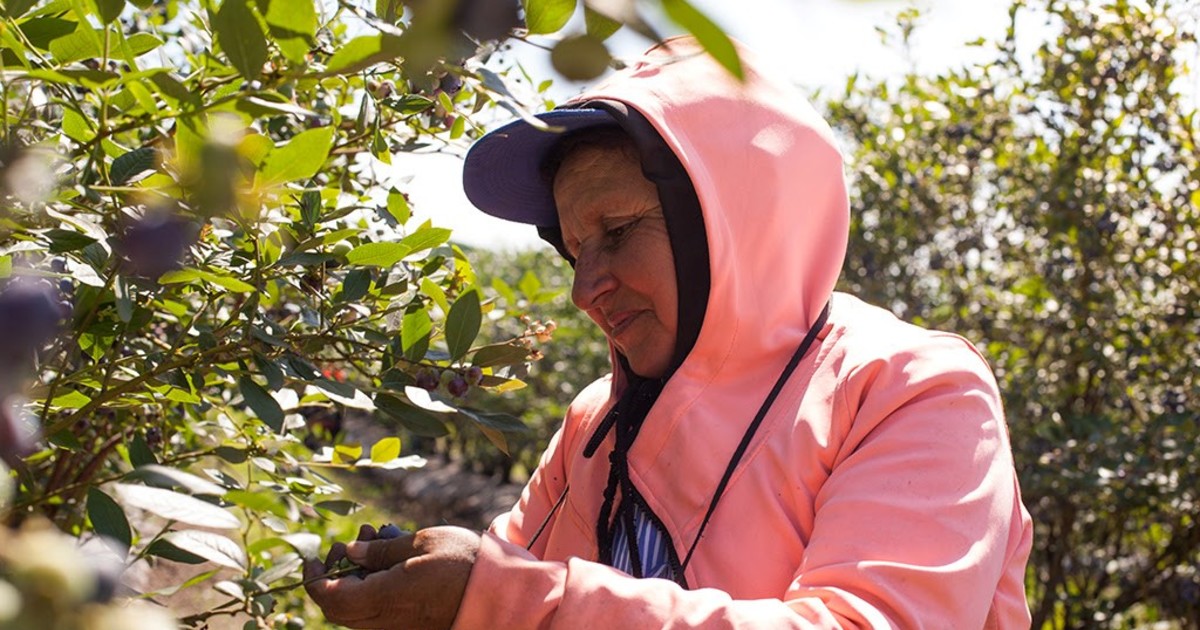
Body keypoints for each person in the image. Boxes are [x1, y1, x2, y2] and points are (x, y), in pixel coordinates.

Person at [304, 36, 1033, 629]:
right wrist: (428, 592)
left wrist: (499, 601)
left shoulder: (910, 391)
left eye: (618, 231)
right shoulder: (597, 420)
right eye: (574, 251)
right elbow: (508, 568)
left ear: (735, 224)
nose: (584, 290)